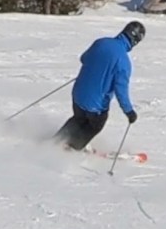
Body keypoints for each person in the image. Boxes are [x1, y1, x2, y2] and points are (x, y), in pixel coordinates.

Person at [54, 21, 144, 150]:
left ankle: (55, 141)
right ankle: (73, 147)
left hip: (78, 94)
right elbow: (121, 90)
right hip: (96, 105)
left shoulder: (101, 42)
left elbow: (84, 59)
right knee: (95, 125)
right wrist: (129, 111)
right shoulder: (124, 62)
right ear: (135, 41)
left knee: (78, 119)